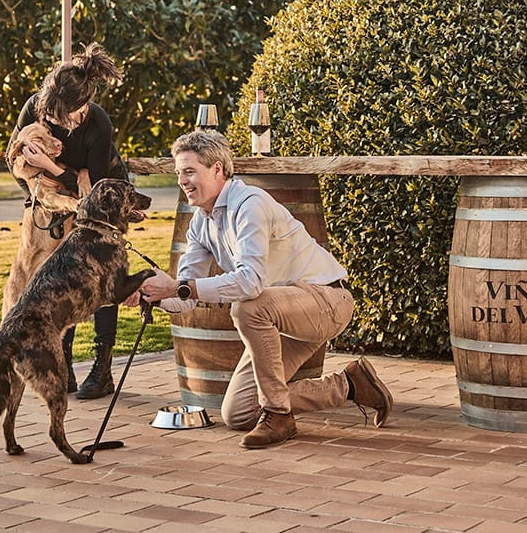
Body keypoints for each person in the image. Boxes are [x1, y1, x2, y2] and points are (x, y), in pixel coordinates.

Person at [131, 129, 393, 449]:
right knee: (239, 413)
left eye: (189, 171)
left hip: (326, 300)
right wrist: (153, 293)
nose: (182, 181)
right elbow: (184, 300)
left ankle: (279, 416)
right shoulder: (201, 222)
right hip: (279, 317)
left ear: (217, 169)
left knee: (248, 306)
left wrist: (178, 286)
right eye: (178, 173)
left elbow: (249, 282)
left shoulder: (250, 203)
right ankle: (352, 385)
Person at [3, 42, 129, 400]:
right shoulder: (35, 109)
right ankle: (65, 365)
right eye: (51, 117)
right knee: (59, 279)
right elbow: (13, 161)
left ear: (82, 107)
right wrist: (36, 187)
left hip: (103, 198)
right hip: (57, 200)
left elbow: (96, 195)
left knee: (99, 277)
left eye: (63, 118)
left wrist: (51, 167)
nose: (55, 124)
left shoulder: (97, 124)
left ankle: (102, 368)